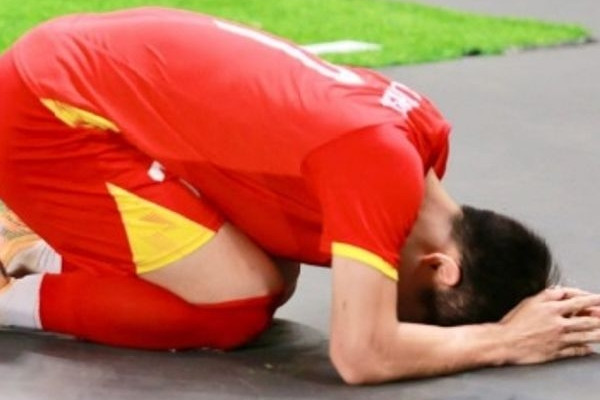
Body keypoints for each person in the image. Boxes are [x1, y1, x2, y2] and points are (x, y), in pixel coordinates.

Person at [1, 7, 600, 384]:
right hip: (46, 115)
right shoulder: (379, 169)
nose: (398, 317)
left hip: (81, 75)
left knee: (267, 277)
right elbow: (361, 355)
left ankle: (35, 241)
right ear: (440, 268)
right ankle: (10, 296)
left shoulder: (422, 143)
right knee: (234, 304)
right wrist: (503, 340)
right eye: (415, 316)